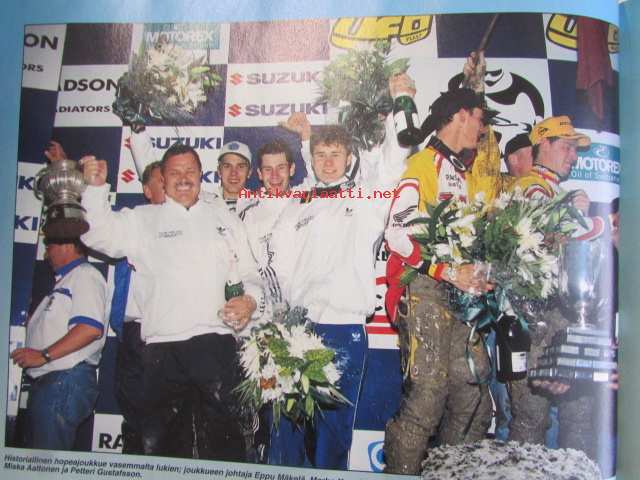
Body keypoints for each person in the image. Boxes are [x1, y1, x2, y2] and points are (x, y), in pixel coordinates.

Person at [265, 73, 416, 470]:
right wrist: (280, 317)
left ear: (350, 158)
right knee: (286, 434)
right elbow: (277, 263)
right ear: (311, 158)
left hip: (343, 329)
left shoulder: (367, 199)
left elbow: (393, 160)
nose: (328, 161)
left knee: (331, 439)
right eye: (320, 154)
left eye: (336, 154)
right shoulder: (297, 203)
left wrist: (401, 102)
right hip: (296, 329)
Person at [79, 143, 264, 461]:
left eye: (190, 171)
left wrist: (250, 300)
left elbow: (250, 273)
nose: (183, 178)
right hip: (161, 351)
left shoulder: (226, 220)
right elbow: (96, 235)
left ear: (201, 176)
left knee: (225, 448)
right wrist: (95, 190)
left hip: (217, 345)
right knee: (163, 450)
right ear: (162, 179)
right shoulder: (141, 219)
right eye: (175, 172)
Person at [382, 62, 502, 471]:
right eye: (479, 119)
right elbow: (396, 235)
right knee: (428, 396)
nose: (482, 129)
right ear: (460, 116)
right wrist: (449, 272)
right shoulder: (423, 164)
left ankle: (449, 472)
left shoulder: (461, 170)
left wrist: (475, 273)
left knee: (474, 396)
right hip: (424, 289)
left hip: (459, 296)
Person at [508, 115, 604, 462]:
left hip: (565, 316)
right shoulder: (530, 187)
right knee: (531, 417)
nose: (573, 157)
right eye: (566, 147)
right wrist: (597, 223)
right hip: (533, 320)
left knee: (578, 413)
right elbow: (555, 233)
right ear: (543, 145)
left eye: (575, 150)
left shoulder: (557, 192)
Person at [10, 236, 108, 450]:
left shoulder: (84, 275)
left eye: (50, 246)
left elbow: (89, 329)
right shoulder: (67, 280)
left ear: (68, 245)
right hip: (55, 382)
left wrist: (43, 355)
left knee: (46, 461)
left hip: (63, 380)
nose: (46, 253)